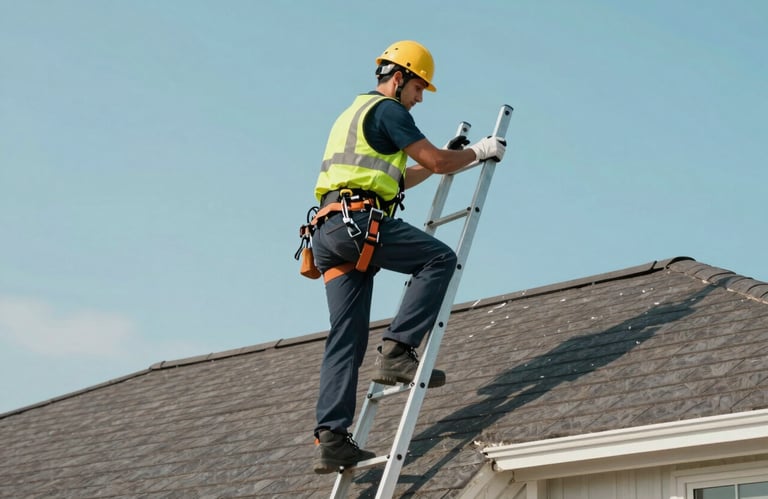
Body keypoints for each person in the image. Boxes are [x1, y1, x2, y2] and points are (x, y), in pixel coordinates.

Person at [310, 40, 506, 474]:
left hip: (328, 231)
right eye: (419, 88)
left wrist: (453, 156)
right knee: (439, 259)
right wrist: (479, 151)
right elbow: (435, 160)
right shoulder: (390, 111)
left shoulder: (354, 112)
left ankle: (332, 439)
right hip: (357, 223)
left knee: (347, 336)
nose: (419, 99)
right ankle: (399, 351)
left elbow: (404, 177)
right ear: (398, 78)